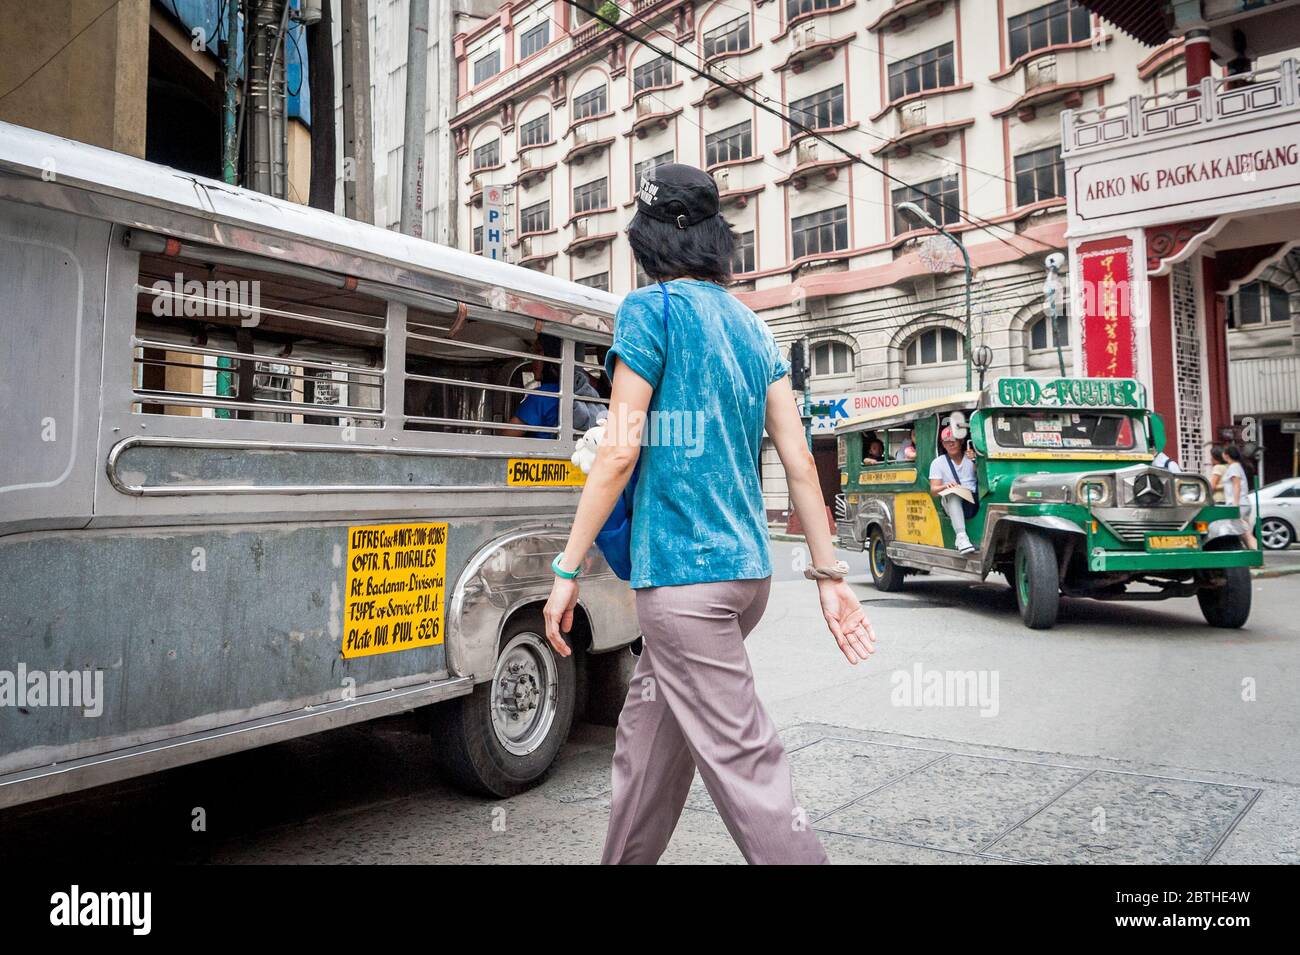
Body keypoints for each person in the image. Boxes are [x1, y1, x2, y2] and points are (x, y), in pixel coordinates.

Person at [541, 163, 874, 865]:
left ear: (648, 240)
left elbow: (620, 450)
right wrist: (829, 574)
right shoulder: (753, 327)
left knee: (752, 771)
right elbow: (801, 462)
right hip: (744, 579)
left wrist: (568, 568)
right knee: (648, 753)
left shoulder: (649, 310)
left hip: (684, 591)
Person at [501, 334, 605, 439]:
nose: (533, 359)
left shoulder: (542, 396)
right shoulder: (589, 393)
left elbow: (506, 438)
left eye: (538, 352)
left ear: (551, 357)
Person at [929, 426, 979, 555]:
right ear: (943, 445)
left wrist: (976, 460)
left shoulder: (971, 458)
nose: (951, 443)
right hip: (951, 500)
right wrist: (946, 486)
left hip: (972, 499)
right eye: (947, 441)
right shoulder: (938, 463)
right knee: (953, 494)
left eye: (954, 440)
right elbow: (934, 490)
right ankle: (961, 537)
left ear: (961, 441)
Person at [1222, 445, 1257, 550]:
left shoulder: (1234, 467)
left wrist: (1235, 504)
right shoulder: (1237, 466)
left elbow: (1236, 485)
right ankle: (1253, 556)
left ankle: (1257, 556)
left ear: (1226, 455)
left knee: (1245, 533)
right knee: (1244, 532)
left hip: (1239, 504)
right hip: (1243, 503)